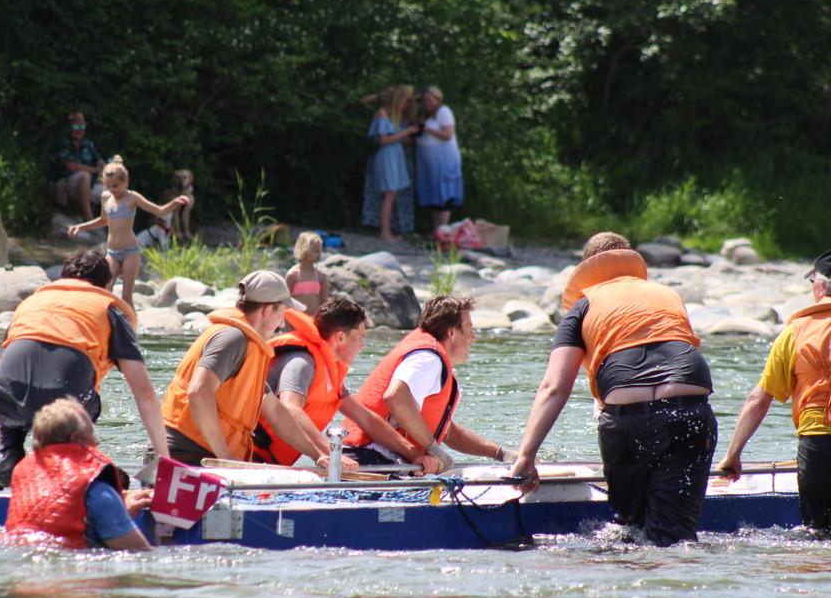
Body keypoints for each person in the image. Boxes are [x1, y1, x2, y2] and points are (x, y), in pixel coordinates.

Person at [509, 232, 717, 546]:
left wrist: (526, 456)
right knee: (674, 536)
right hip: (689, 410)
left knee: (630, 529)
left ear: (586, 269)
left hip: (628, 418)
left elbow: (554, 388)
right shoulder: (665, 293)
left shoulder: (581, 308)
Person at [0, 249, 169, 490]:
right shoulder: (108, 307)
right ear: (106, 285)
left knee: (2, 381)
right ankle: (84, 462)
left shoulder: (31, 303)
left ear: (63, 278)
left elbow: (2, 369)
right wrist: (165, 460)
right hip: (66, 402)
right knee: (88, 396)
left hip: (6, 401)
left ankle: (8, 455)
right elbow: (144, 391)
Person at [162, 270, 331, 467]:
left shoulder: (249, 345)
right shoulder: (233, 338)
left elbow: (275, 411)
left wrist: (316, 454)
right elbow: (199, 391)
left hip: (201, 455)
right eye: (282, 313)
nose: (282, 323)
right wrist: (223, 456)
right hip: (188, 455)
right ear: (267, 310)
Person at [253, 298, 440, 473]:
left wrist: (414, 454)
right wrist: (332, 454)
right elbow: (290, 408)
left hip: (271, 465)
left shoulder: (330, 372)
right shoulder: (301, 362)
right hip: (247, 459)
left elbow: (367, 419)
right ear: (340, 337)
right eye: (360, 337)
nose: (362, 345)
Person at [717, 250, 831, 530]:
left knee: (821, 534)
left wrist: (733, 456)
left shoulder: (796, 333)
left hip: (820, 439)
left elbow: (758, 401)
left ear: (821, 285)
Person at [341, 294, 516, 474]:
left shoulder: (428, 356)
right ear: (451, 333)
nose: (473, 337)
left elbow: (445, 430)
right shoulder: (428, 359)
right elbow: (396, 396)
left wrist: (500, 454)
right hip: (369, 458)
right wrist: (432, 448)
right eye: (469, 329)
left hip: (366, 456)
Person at [5, 397, 153, 551]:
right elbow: (138, 550)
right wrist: (119, 514)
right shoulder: (91, 480)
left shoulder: (22, 472)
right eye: (91, 433)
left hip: (19, 560)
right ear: (75, 438)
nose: (97, 442)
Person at [68, 156, 191, 309]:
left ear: (125, 182)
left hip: (130, 252)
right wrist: (80, 226)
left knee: (126, 295)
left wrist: (175, 202)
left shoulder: (132, 197)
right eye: (109, 186)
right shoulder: (106, 197)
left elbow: (159, 210)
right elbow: (102, 221)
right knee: (106, 290)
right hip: (112, 252)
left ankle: (132, 329)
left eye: (116, 186)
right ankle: (107, 325)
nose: (112, 190)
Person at [361, 85, 417, 234]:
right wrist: (407, 132)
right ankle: (385, 233)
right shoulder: (383, 113)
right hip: (387, 155)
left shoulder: (395, 116)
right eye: (405, 100)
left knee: (392, 193)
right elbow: (384, 139)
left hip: (395, 154)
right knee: (390, 193)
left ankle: (387, 231)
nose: (406, 104)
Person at [416, 86, 463, 232]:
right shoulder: (427, 114)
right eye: (424, 100)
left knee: (444, 193)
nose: (426, 103)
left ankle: (442, 232)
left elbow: (448, 134)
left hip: (443, 158)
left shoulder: (444, 111)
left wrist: (426, 129)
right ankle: (436, 231)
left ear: (437, 99)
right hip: (429, 162)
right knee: (434, 194)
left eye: (429, 100)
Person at [50, 112, 107, 221]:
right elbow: (71, 167)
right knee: (84, 176)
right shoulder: (63, 143)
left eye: (82, 127)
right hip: (66, 184)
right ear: (69, 128)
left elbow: (99, 161)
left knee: (113, 192)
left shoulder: (88, 143)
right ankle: (88, 216)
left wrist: (106, 168)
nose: (79, 130)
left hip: (89, 184)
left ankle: (119, 228)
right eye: (75, 126)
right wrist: (93, 170)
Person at [284, 232, 330, 316]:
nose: (320, 254)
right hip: (297, 320)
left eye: (320, 251)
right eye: (316, 251)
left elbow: (324, 302)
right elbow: (286, 303)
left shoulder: (320, 276)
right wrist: (288, 326)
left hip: (315, 320)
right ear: (305, 251)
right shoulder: (293, 275)